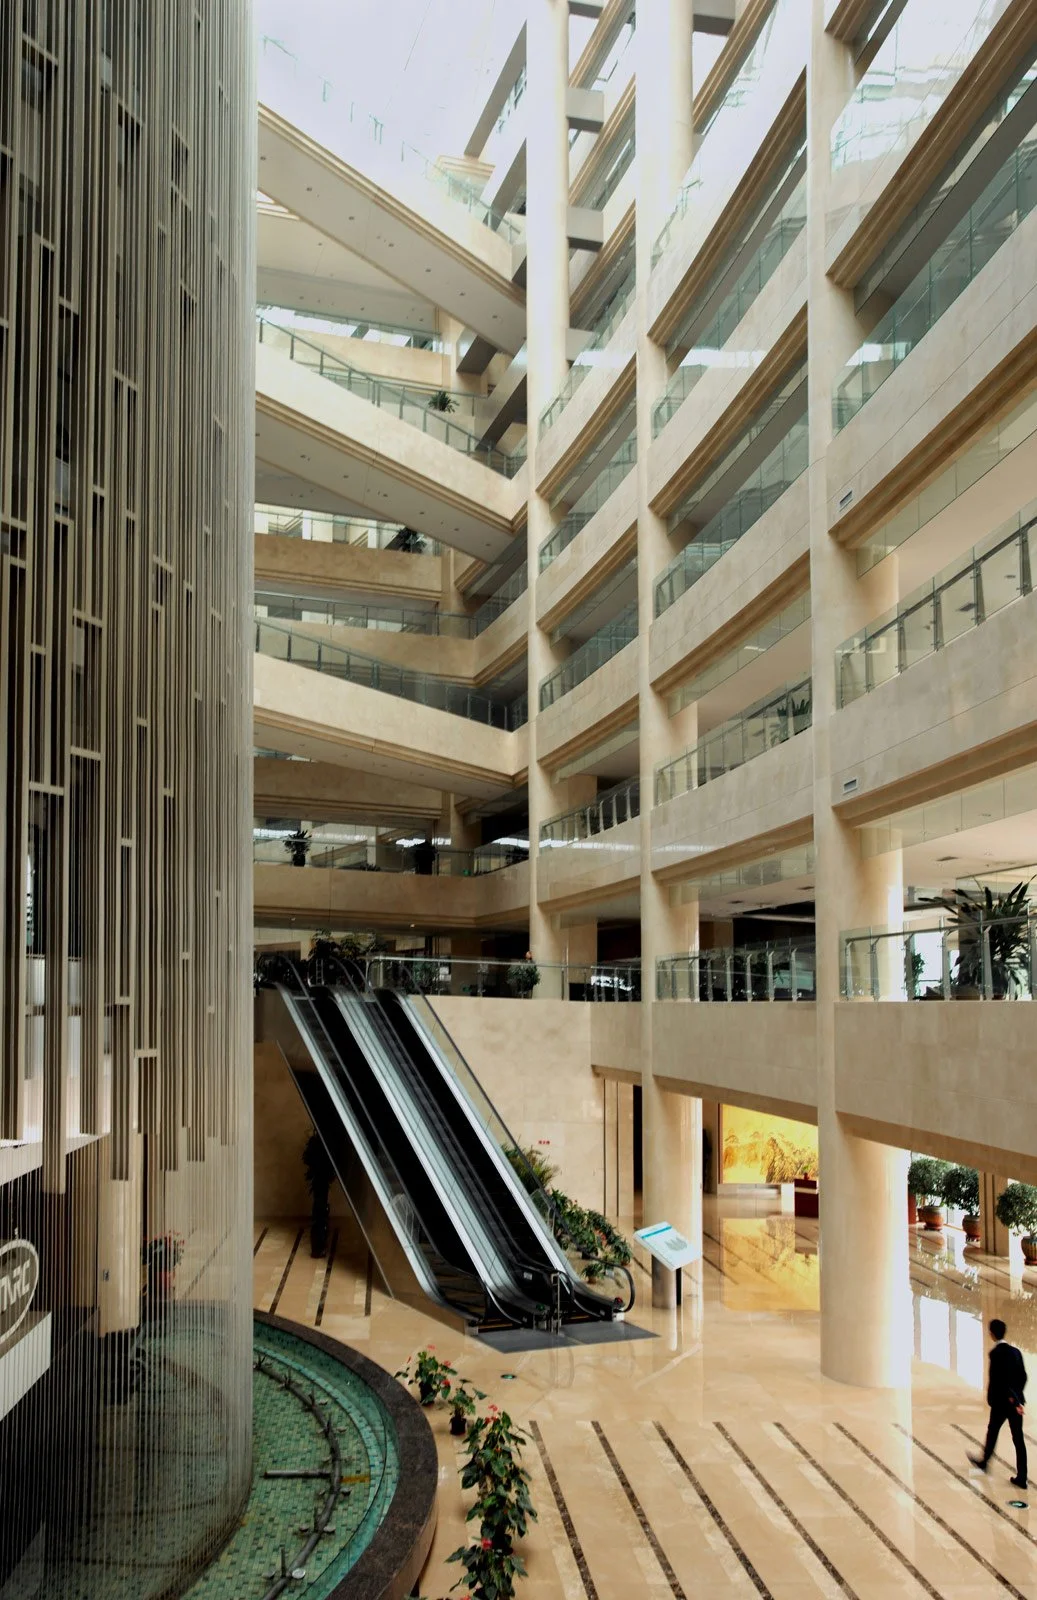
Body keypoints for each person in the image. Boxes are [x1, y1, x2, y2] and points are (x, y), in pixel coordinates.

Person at [969, 1319, 1028, 1488]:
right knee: (1018, 1439)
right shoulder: (1016, 1352)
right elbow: (1023, 1377)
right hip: (1016, 1404)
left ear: (992, 1334)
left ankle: (984, 1462)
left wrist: (996, 1399)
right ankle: (1022, 1477)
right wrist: (1017, 1397)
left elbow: (997, 1380)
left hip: (1002, 1403)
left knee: (993, 1430)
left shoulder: (995, 1354)